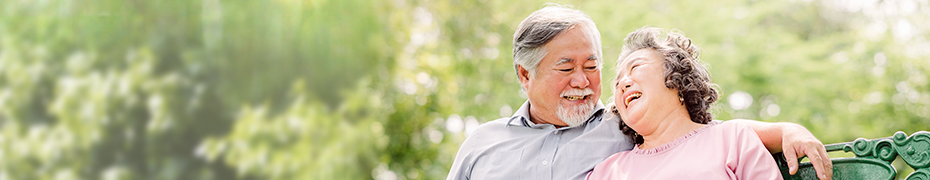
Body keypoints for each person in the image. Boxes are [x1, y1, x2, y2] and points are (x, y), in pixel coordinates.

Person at [446, 4, 833, 180]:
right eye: (565, 68)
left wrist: (785, 129)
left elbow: (704, 136)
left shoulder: (620, 127)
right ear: (525, 76)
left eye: (593, 67)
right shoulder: (482, 144)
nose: (583, 81)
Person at [586, 27, 781, 179]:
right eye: (618, 81)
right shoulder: (606, 172)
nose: (622, 83)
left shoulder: (732, 139)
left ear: (676, 78)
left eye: (636, 66)